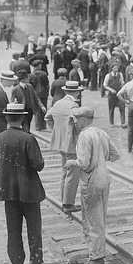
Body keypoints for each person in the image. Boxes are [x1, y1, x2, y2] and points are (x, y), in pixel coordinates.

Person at [0, 103, 46, 264]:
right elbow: (38, 165)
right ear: (22, 118)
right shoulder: (28, 138)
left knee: (13, 229)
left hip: (9, 193)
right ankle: (36, 263)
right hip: (30, 192)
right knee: (34, 228)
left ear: (6, 118)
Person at [65, 107, 121, 264]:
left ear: (83, 119)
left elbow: (83, 163)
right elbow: (115, 155)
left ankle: (96, 259)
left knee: (91, 221)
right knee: (100, 218)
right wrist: (100, 158)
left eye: (76, 119)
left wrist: (71, 162)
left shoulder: (84, 135)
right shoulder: (100, 132)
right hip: (105, 179)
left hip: (91, 182)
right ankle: (98, 253)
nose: (74, 123)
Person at [45, 81, 83, 214]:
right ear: (77, 92)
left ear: (66, 91)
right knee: (72, 174)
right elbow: (77, 123)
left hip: (60, 144)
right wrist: (78, 134)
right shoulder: (74, 105)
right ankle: (68, 204)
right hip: (71, 145)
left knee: (64, 172)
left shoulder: (57, 103)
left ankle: (63, 199)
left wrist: (57, 129)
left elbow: (48, 117)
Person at [103, 63, 126, 128]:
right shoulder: (108, 75)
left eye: (117, 68)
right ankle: (111, 123)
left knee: (122, 107)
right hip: (111, 94)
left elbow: (122, 83)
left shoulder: (120, 75)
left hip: (119, 94)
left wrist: (122, 91)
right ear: (112, 68)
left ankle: (123, 122)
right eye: (115, 68)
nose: (116, 69)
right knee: (111, 108)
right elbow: (105, 85)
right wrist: (111, 90)